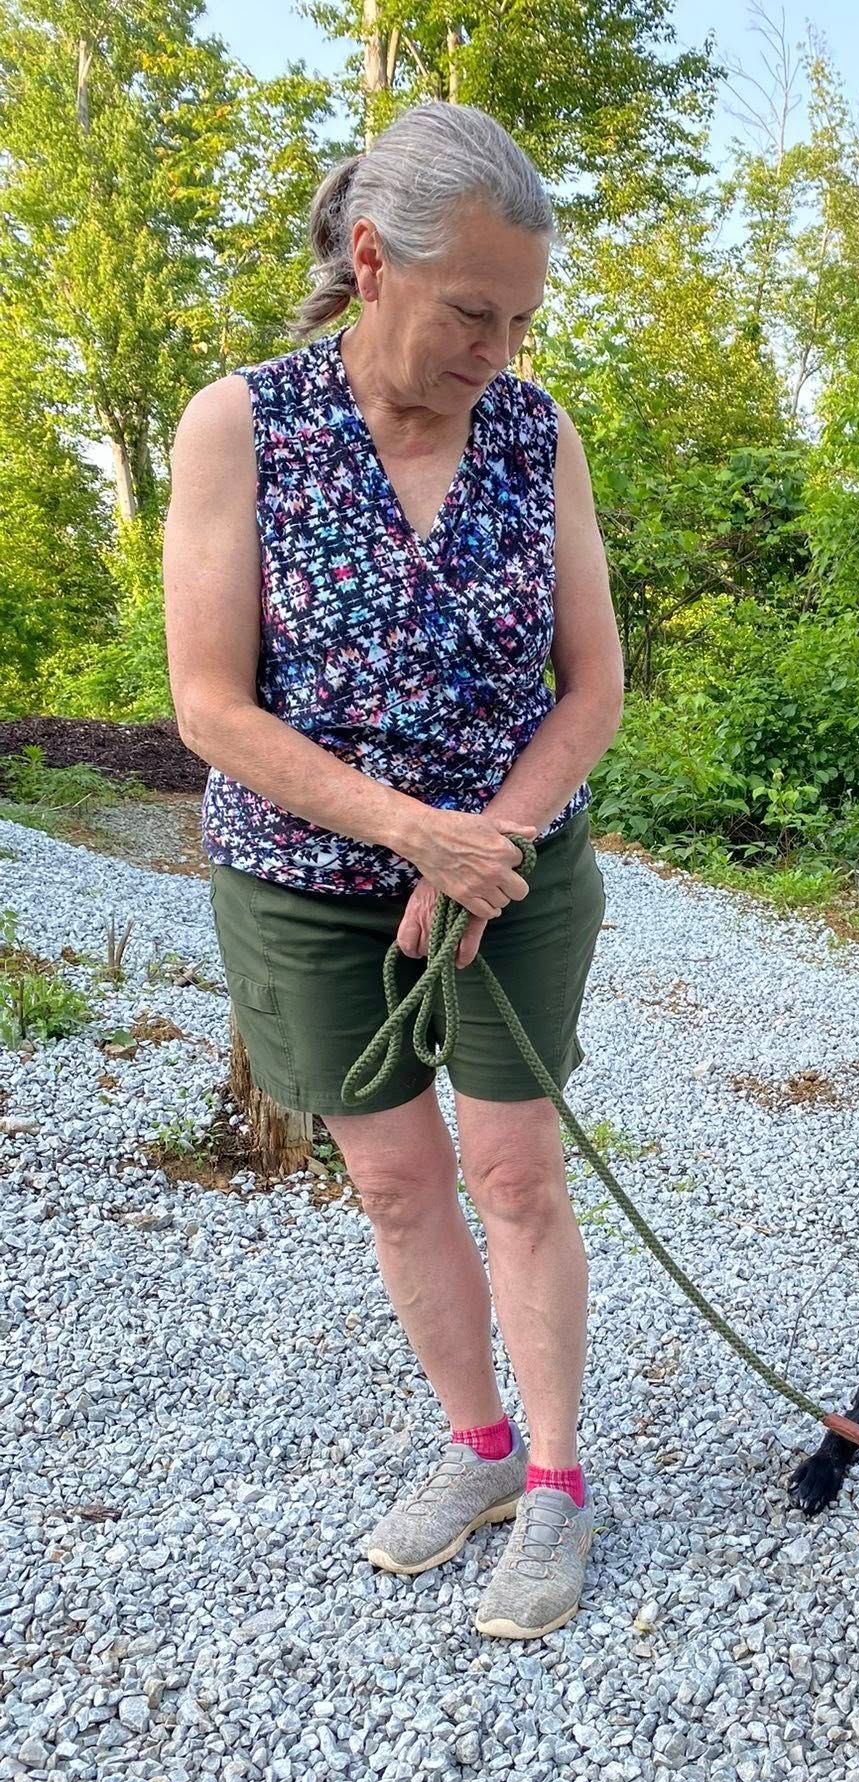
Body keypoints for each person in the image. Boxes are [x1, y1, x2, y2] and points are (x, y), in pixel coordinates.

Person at [162, 103, 625, 1642]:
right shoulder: (240, 427)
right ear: (372, 264)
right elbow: (210, 707)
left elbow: (592, 689)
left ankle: (553, 1483)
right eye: (471, 312)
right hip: (305, 875)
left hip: (509, 870)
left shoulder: (535, 432)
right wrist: (401, 831)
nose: (498, 346)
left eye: (521, 317)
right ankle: (476, 1452)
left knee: (512, 1170)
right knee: (393, 1177)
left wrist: (478, 845)